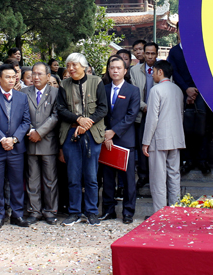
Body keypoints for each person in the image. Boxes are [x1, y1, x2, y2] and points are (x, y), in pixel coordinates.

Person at [56, 53, 107, 226]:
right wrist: (78, 120)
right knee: (73, 176)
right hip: (71, 134)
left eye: (74, 65)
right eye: (68, 65)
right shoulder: (63, 84)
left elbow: (103, 108)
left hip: (92, 134)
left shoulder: (96, 81)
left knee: (91, 176)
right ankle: (74, 212)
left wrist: (87, 123)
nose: (70, 69)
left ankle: (92, 212)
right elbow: (61, 110)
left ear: (83, 67)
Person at [0, 64, 31, 229]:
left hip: (16, 148)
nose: (12, 80)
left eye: (13, 77)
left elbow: (26, 121)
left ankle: (17, 214)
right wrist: (2, 139)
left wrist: (14, 139)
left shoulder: (21, 97)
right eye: (7, 77)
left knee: (17, 182)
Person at [142, 60, 185, 214]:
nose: (152, 74)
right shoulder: (178, 90)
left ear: (160, 72)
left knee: (158, 178)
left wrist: (145, 141)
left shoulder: (156, 90)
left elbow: (152, 118)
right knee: (174, 175)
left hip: (159, 138)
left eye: (153, 71)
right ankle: (175, 210)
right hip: (176, 137)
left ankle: (159, 214)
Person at [100, 56, 140, 224]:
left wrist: (113, 132)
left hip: (125, 141)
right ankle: (108, 210)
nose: (115, 71)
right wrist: (105, 134)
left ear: (125, 71)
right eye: (112, 68)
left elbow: (131, 116)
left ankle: (128, 212)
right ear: (108, 70)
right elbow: (101, 113)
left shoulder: (133, 90)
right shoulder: (103, 88)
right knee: (108, 179)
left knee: (128, 179)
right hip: (106, 140)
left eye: (118, 68)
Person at [168, 23, 210, 175]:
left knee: (202, 127)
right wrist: (186, 90)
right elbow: (174, 72)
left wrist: (195, 90)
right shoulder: (173, 52)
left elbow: (204, 69)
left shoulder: (200, 49)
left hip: (201, 93)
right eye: (180, 30)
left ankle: (202, 160)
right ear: (177, 32)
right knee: (184, 128)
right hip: (181, 92)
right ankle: (187, 160)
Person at [20, 62, 59, 225]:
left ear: (48, 76)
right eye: (33, 74)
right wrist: (31, 131)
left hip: (48, 142)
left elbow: (56, 116)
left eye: (40, 74)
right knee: (32, 179)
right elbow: (21, 115)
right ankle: (34, 210)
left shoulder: (56, 92)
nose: (36, 77)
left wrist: (40, 132)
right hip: (29, 141)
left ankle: (50, 211)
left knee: (50, 179)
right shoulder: (24, 92)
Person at [129, 42, 158, 190]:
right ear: (143, 54)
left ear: (157, 54)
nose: (150, 56)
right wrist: (144, 106)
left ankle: (155, 177)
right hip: (142, 114)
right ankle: (143, 175)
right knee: (142, 145)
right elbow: (133, 93)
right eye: (148, 53)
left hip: (159, 116)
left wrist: (154, 109)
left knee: (156, 146)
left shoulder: (162, 69)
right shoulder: (134, 71)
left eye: (153, 54)